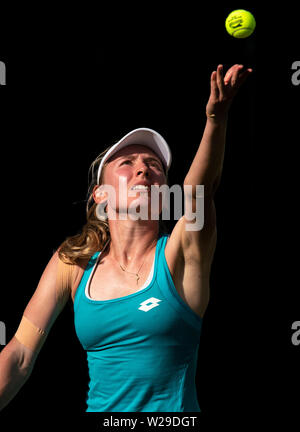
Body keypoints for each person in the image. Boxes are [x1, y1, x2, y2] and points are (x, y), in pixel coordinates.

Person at [0, 64, 252, 412]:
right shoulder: (71, 262)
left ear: (165, 193)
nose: (143, 168)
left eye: (155, 165)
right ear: (100, 194)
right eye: (127, 162)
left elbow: (198, 193)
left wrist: (215, 120)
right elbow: (19, 355)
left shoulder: (180, 254)